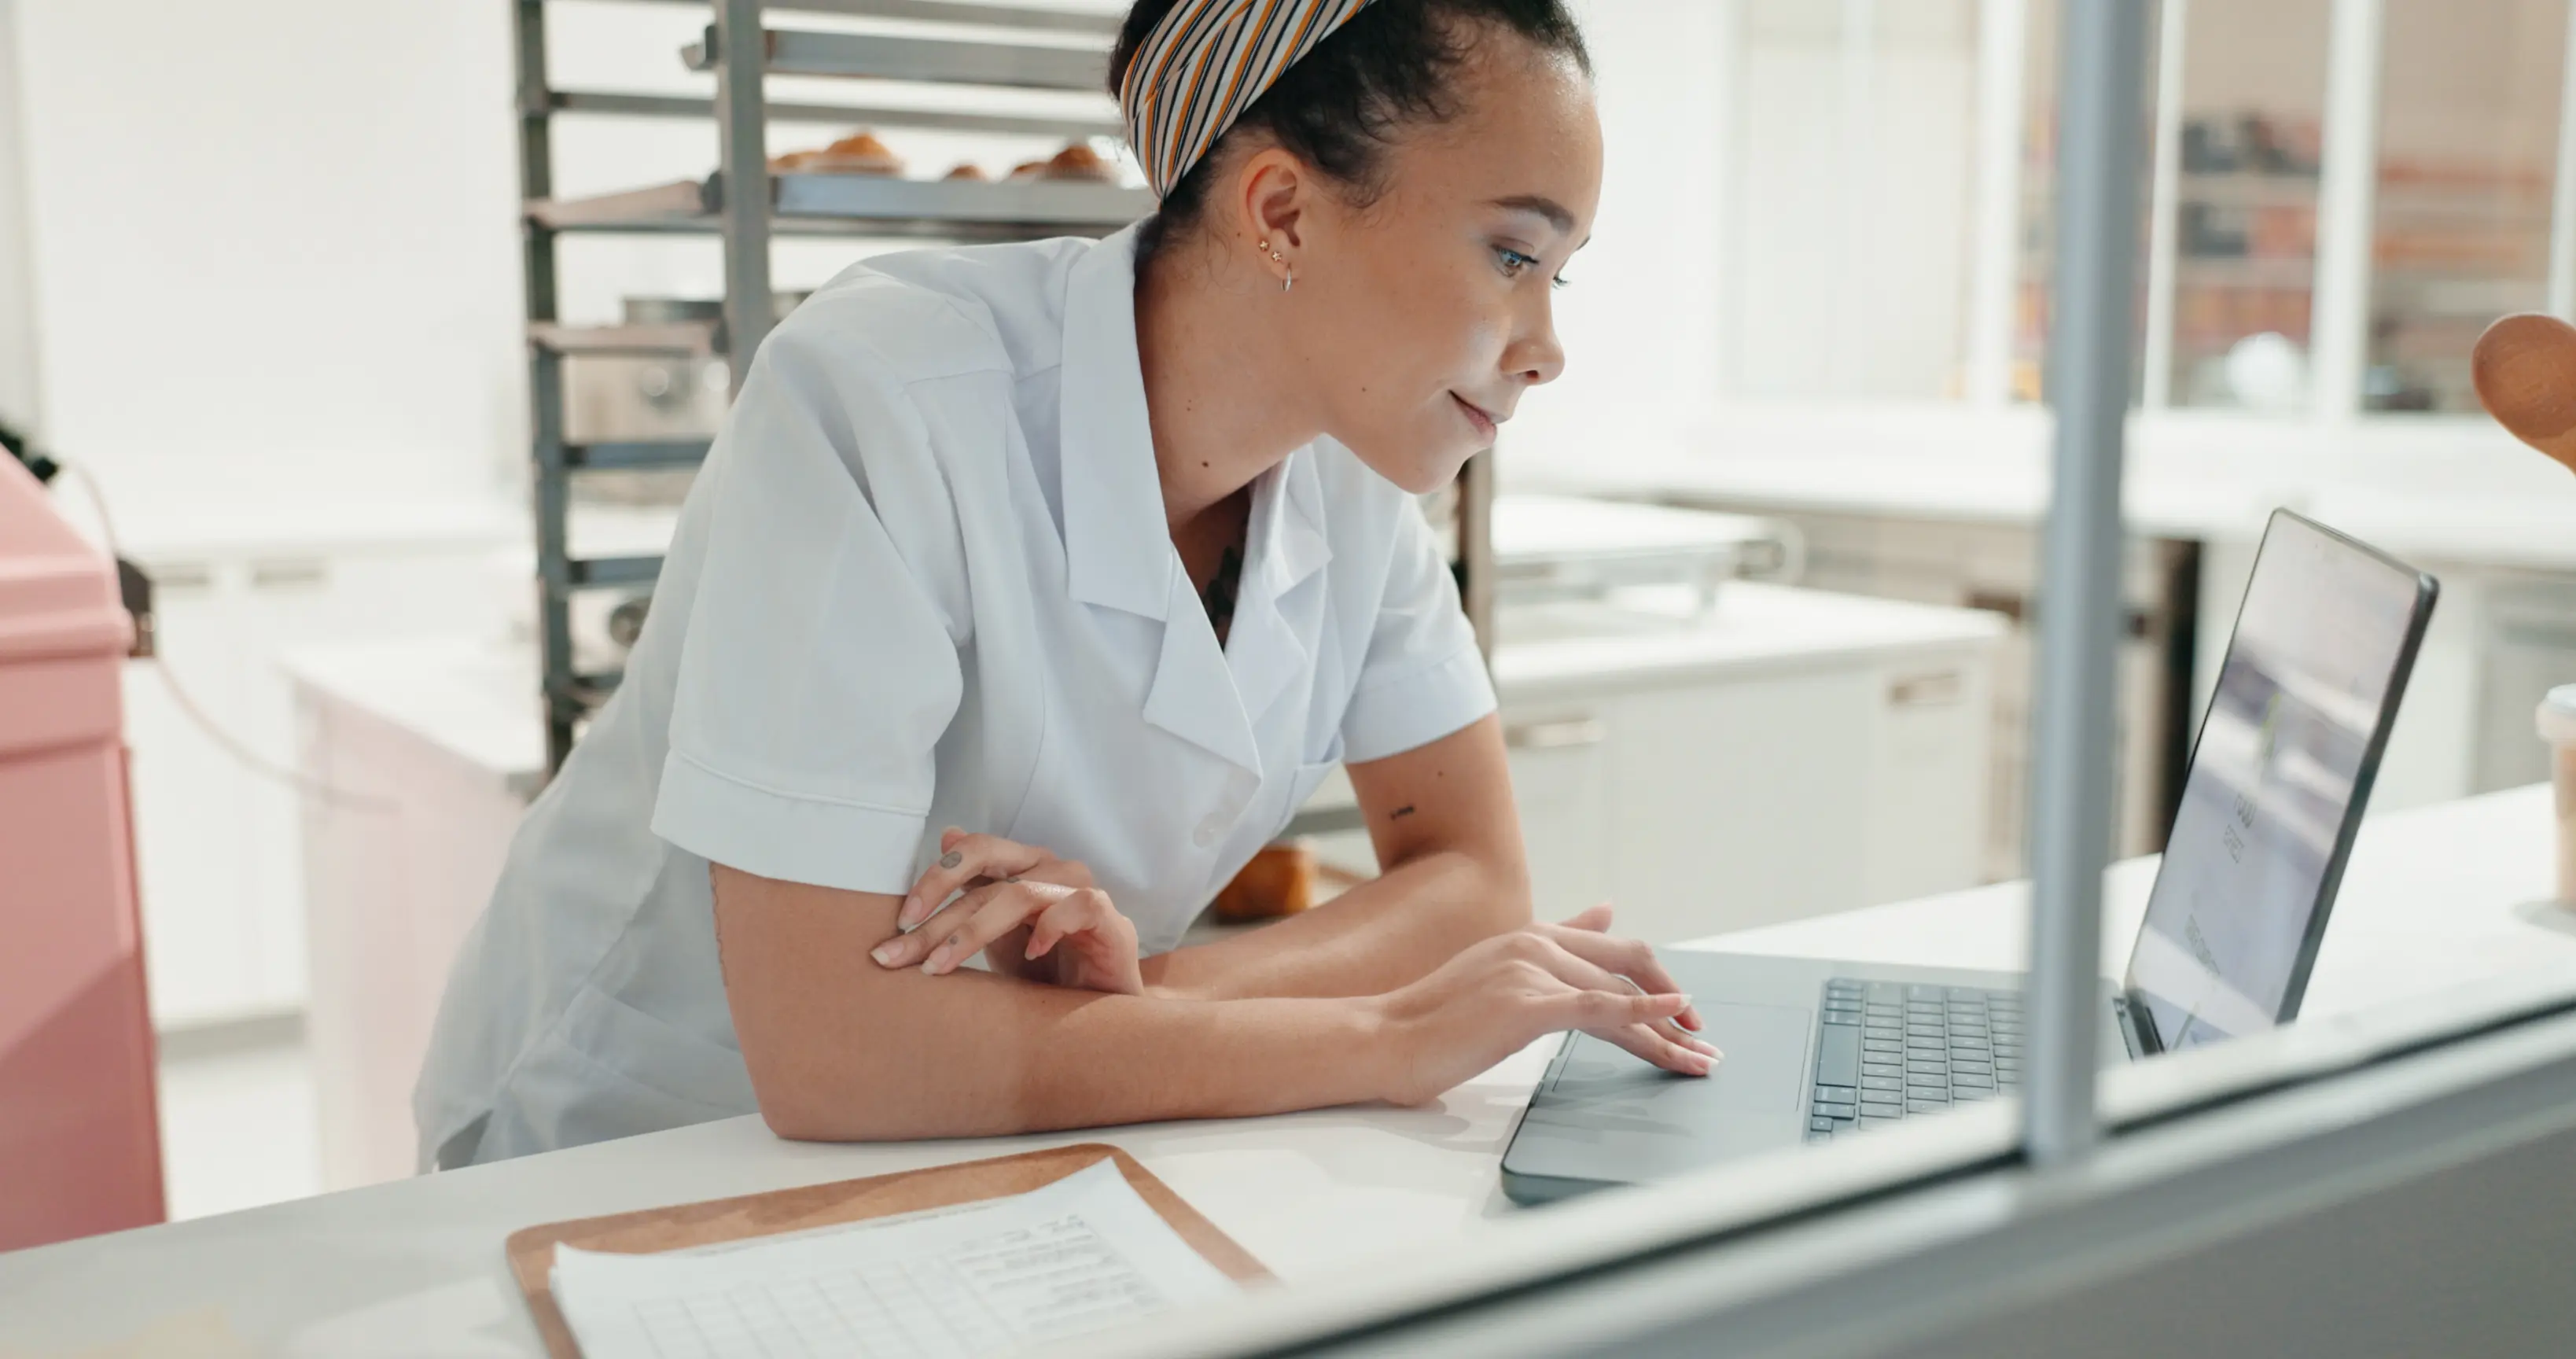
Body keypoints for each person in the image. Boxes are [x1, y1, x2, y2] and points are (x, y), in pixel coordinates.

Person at [414, 0, 1718, 1169]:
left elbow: (1472, 884)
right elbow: (833, 1054)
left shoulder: (1355, 476)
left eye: (1560, 273)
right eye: (1510, 256)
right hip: (642, 1130)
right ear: (1280, 212)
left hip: (1003, 1117)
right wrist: (1384, 1031)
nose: (1546, 347)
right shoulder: (888, 392)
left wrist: (1147, 998)